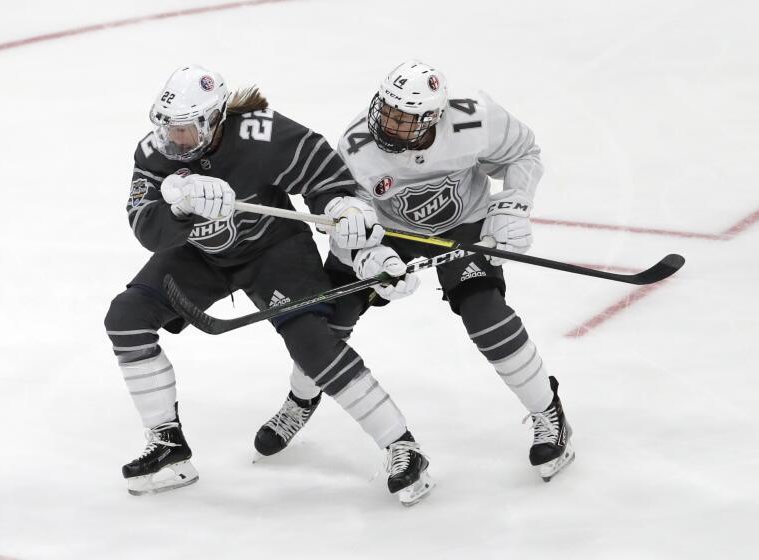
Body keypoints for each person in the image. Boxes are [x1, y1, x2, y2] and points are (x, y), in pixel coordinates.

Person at [103, 64, 434, 505]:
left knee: (313, 344)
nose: (174, 138)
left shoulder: (260, 135)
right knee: (125, 318)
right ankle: (167, 448)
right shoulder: (153, 152)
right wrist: (180, 209)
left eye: (186, 128)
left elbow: (323, 173)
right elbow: (147, 231)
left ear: (214, 118)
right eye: (168, 127)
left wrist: (342, 205)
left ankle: (402, 445)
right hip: (200, 256)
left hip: (273, 253)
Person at [256, 60, 574, 482]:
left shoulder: (475, 119)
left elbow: (523, 153)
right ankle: (301, 399)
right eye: (386, 109)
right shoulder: (356, 147)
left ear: (433, 118)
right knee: (326, 323)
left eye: (403, 119)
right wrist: (369, 256)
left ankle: (548, 411)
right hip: (384, 232)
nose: (387, 123)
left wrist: (514, 204)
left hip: (465, 225)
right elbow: (348, 222)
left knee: (484, 313)